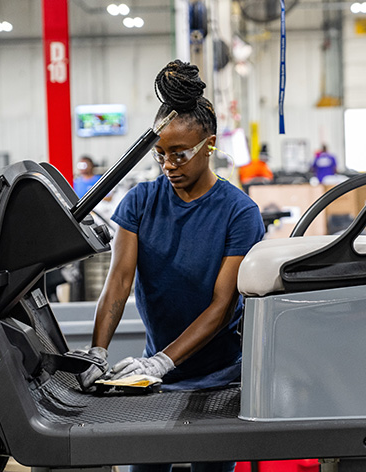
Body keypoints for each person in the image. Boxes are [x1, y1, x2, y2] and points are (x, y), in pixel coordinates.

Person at [78, 60, 265, 472]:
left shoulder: (240, 213)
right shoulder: (140, 203)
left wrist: (164, 360)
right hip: (153, 379)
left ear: (209, 145)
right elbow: (119, 282)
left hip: (219, 379)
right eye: (160, 154)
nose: (168, 165)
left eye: (180, 154)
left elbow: (221, 306)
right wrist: (97, 351)